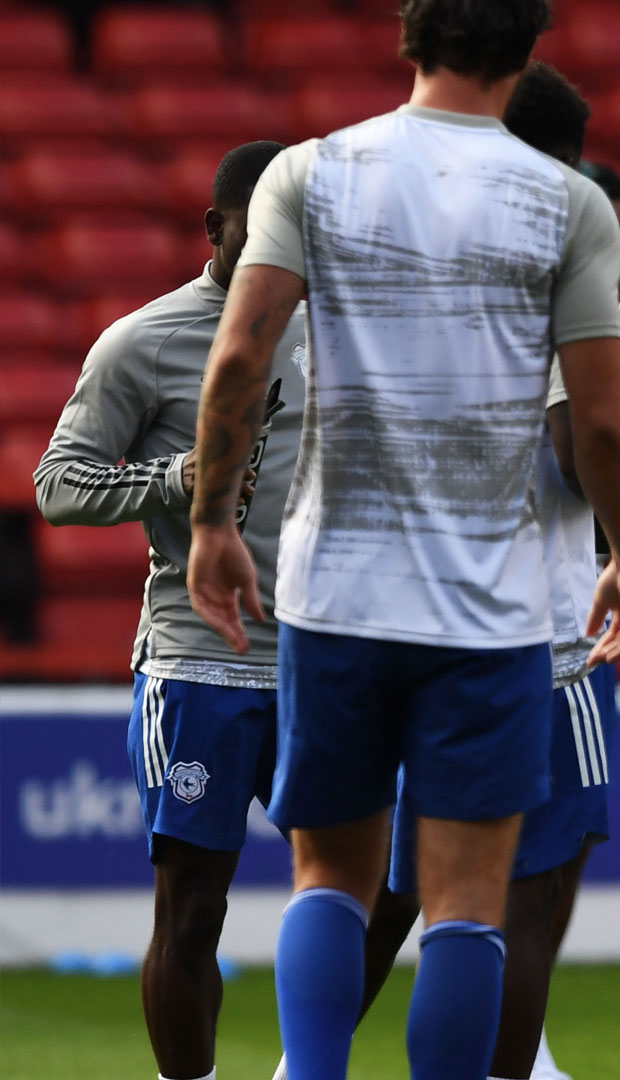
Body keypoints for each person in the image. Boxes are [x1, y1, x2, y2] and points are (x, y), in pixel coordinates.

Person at [184, 0, 620, 1074]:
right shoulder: (569, 201)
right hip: (486, 608)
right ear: (528, 52)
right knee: (465, 901)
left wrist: (214, 520)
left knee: (330, 877)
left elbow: (240, 358)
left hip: (335, 590)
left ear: (409, 41)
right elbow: (603, 415)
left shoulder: (310, 171)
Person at [33, 140, 299, 1080]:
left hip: (323, 655)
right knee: (194, 908)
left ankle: (306, 1062)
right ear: (215, 229)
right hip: (202, 660)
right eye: (259, 225)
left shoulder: (336, 330)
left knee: (380, 884)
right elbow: (56, 484)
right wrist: (173, 480)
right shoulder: (143, 340)